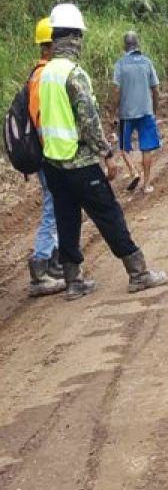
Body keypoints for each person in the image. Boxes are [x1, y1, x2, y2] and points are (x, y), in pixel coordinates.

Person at [39, 4, 167, 300]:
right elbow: (88, 121)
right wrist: (107, 154)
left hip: (54, 164)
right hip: (80, 162)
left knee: (66, 220)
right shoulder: (74, 73)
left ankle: (73, 282)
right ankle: (138, 273)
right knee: (109, 215)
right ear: (74, 38)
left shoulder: (47, 74)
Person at [26, 17, 65, 298]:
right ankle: (40, 267)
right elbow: (42, 121)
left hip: (44, 153)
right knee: (53, 207)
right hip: (47, 155)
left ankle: (52, 262)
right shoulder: (43, 78)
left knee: (58, 204)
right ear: (50, 46)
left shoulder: (37, 74)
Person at [112, 31, 162, 194]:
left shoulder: (120, 64)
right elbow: (155, 89)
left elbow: (117, 91)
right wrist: (154, 109)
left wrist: (114, 111)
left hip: (127, 114)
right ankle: (147, 185)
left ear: (124, 46)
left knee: (123, 147)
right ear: (137, 45)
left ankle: (134, 172)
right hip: (146, 112)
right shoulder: (147, 63)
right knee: (146, 149)